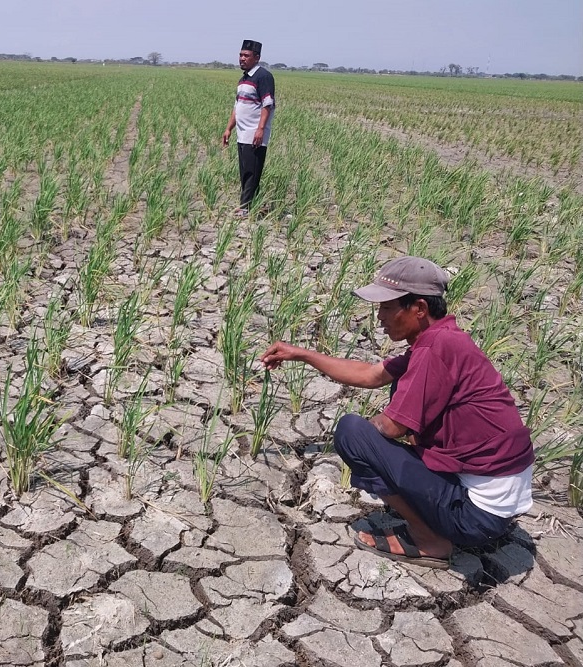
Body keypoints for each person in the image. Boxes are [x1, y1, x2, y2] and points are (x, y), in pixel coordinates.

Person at [261, 256, 533, 569]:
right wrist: (301, 354)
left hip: (475, 517)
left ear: (419, 309)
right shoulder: (444, 338)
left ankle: (429, 539)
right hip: (492, 504)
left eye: (388, 308)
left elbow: (391, 427)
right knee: (387, 405)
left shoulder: (435, 349)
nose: (380, 318)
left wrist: (374, 449)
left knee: (352, 433)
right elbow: (370, 375)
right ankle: (430, 512)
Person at [222, 39, 275, 217]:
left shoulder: (263, 76)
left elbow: (267, 105)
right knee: (245, 170)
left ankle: (245, 208)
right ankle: (251, 205)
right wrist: (229, 128)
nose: (242, 58)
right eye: (241, 55)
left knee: (252, 171)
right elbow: (237, 107)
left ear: (257, 57)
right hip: (242, 133)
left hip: (254, 133)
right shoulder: (243, 79)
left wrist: (260, 129)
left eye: (246, 55)